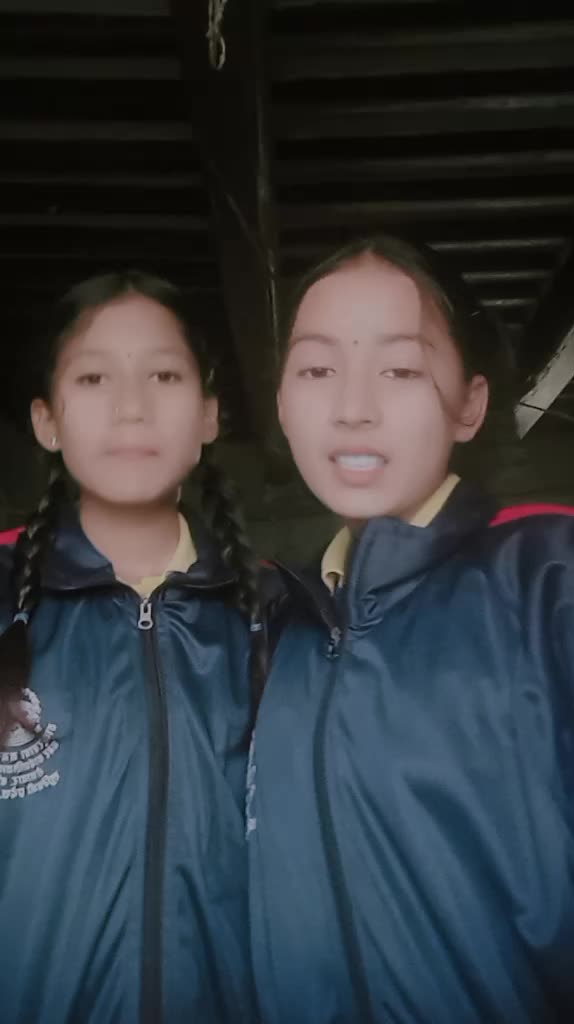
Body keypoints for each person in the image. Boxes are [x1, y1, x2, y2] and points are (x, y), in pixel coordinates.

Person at [248, 236, 574, 1023]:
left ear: (470, 404)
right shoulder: (271, 628)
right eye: (317, 370)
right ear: (282, 404)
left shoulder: (552, 576)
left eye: (399, 369)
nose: (353, 407)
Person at [0, 270, 260, 1024]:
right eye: (93, 378)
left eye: (164, 375)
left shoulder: (280, 618)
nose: (131, 406)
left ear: (209, 413)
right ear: (46, 421)